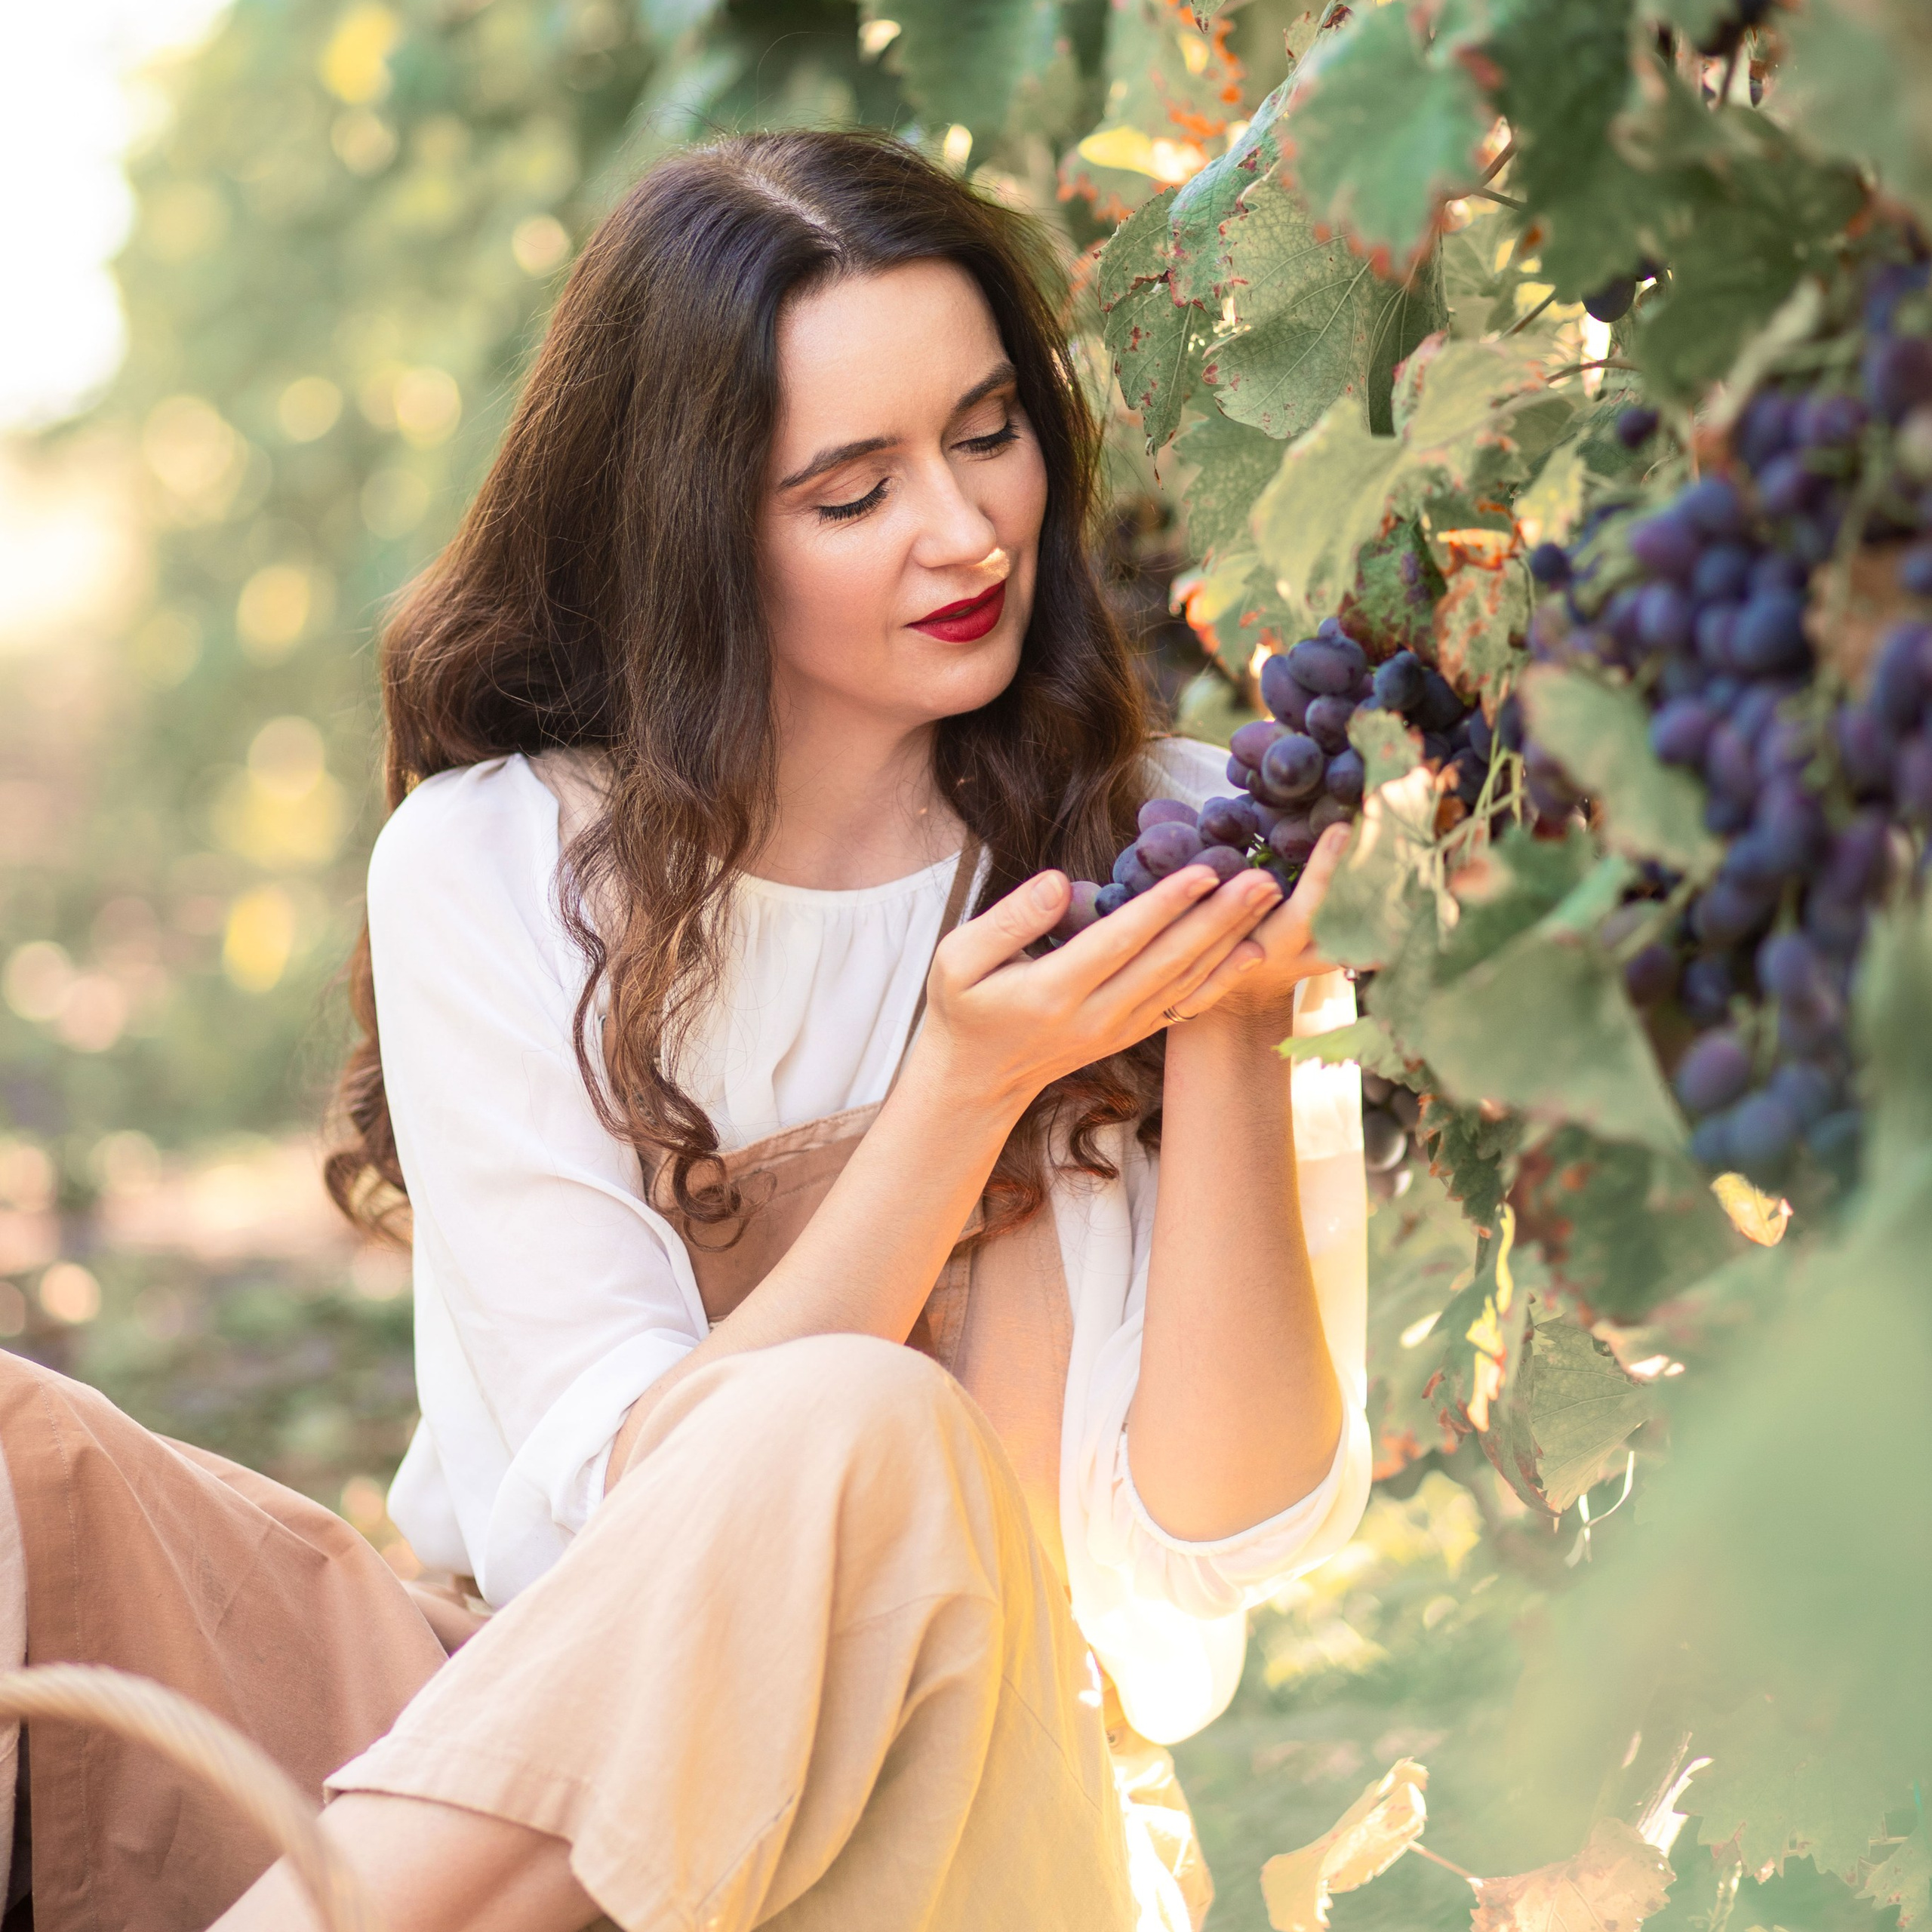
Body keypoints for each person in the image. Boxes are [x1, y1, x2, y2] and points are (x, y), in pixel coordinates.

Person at [0, 129, 1370, 1932]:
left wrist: (1237, 1028)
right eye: (850, 488)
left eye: (983, 432)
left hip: (974, 1801)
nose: (965, 531)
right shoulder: (498, 861)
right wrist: (959, 1088)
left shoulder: (1185, 842)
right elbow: (601, 1533)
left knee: (855, 1427)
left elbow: (1224, 1537)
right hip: (506, 1750)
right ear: (696, 527)